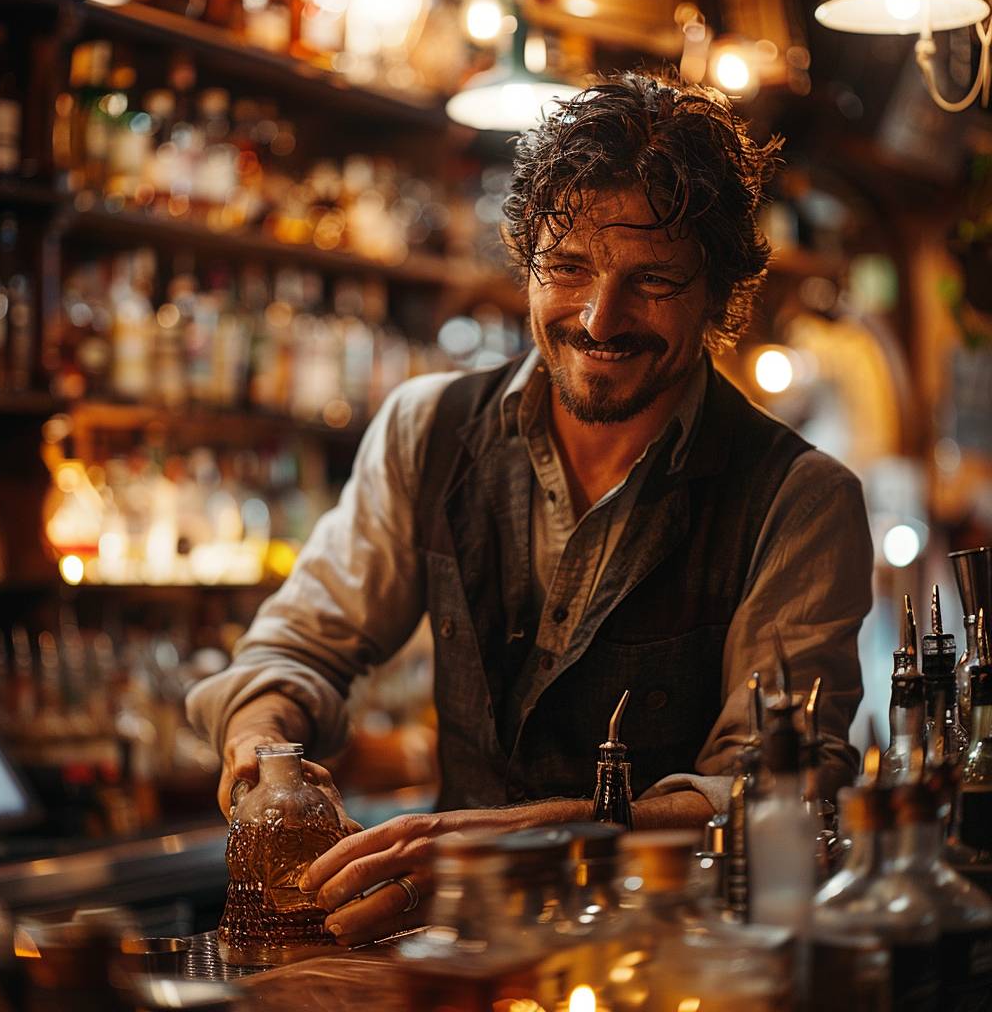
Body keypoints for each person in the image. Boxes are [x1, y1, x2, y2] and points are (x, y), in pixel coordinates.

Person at [187, 72, 873, 946]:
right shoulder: (428, 429)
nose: (599, 317)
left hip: (675, 974)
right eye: (567, 267)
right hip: (452, 971)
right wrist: (267, 749)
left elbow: (783, 793)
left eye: (653, 279)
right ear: (526, 264)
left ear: (720, 293)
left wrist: (546, 839)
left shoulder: (800, 501)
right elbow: (297, 646)